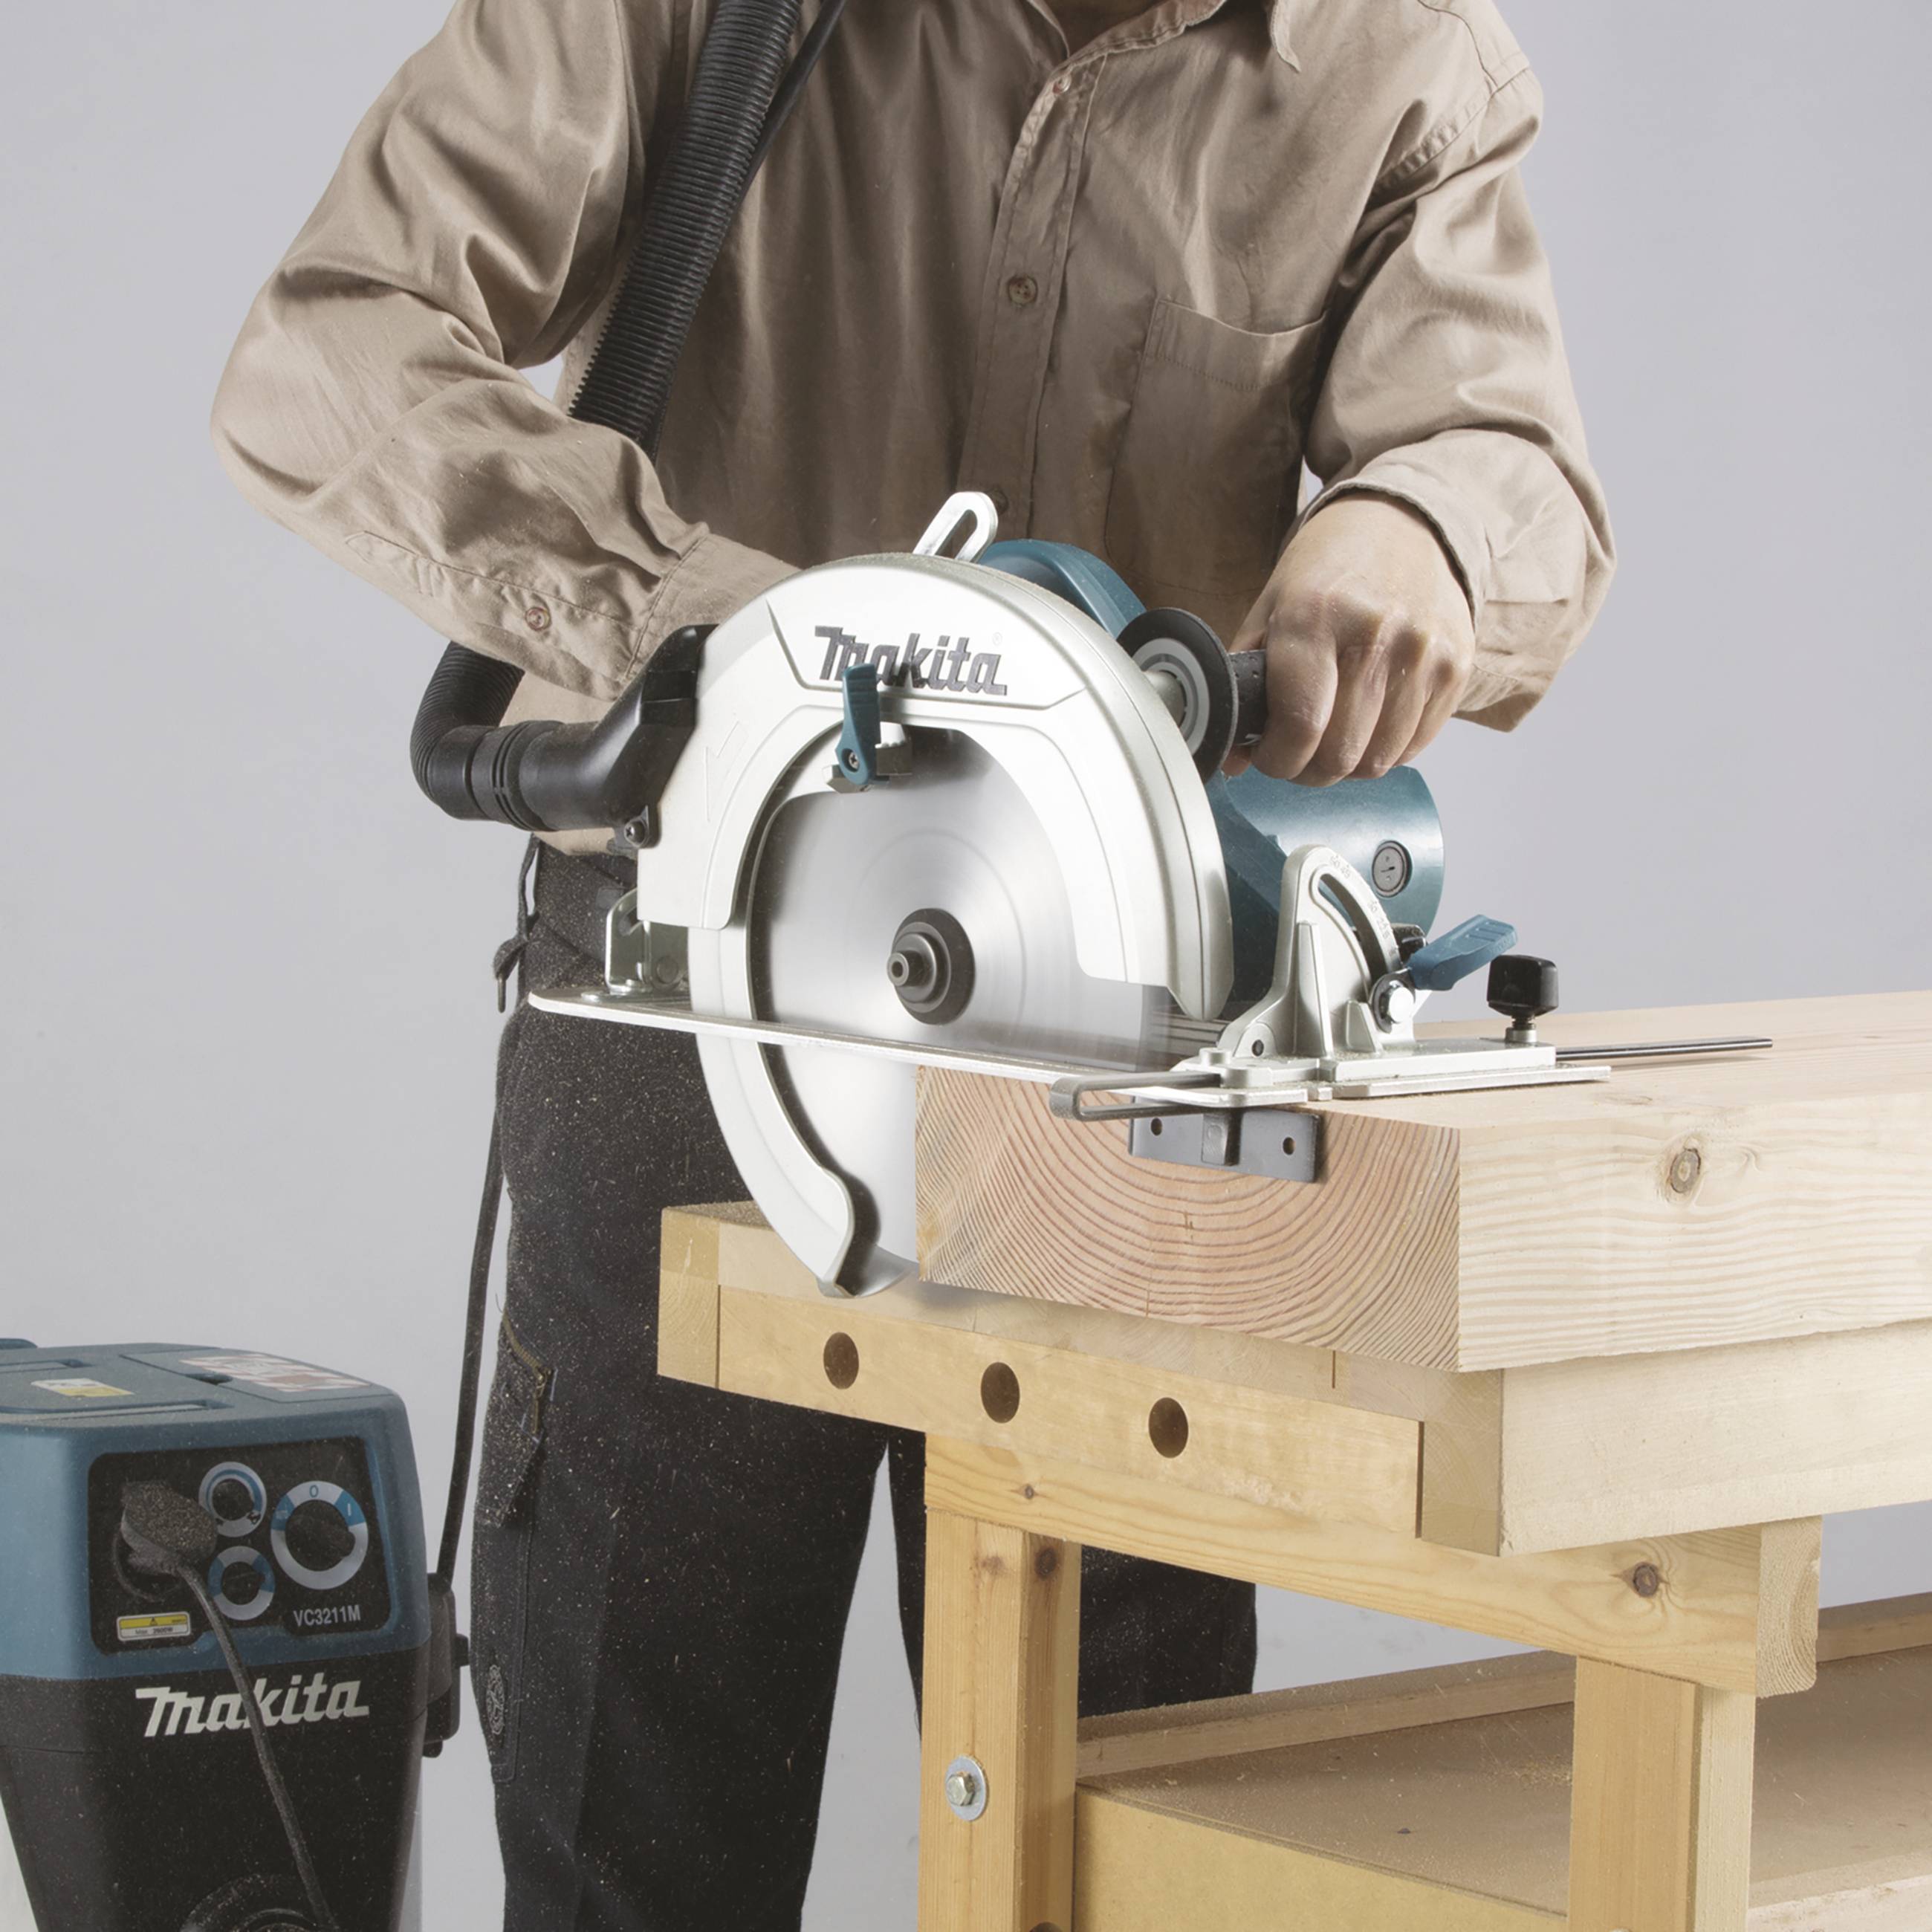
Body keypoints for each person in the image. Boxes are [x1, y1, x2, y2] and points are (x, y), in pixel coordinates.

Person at [213, 1, 1612, 1924]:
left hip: (1134, 1076)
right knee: (642, 1838)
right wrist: (739, 641)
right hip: (697, 1007)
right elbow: (325, 351)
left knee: (1107, 1853)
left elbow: (1505, 444)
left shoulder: (1398, 60)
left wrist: (1419, 523)